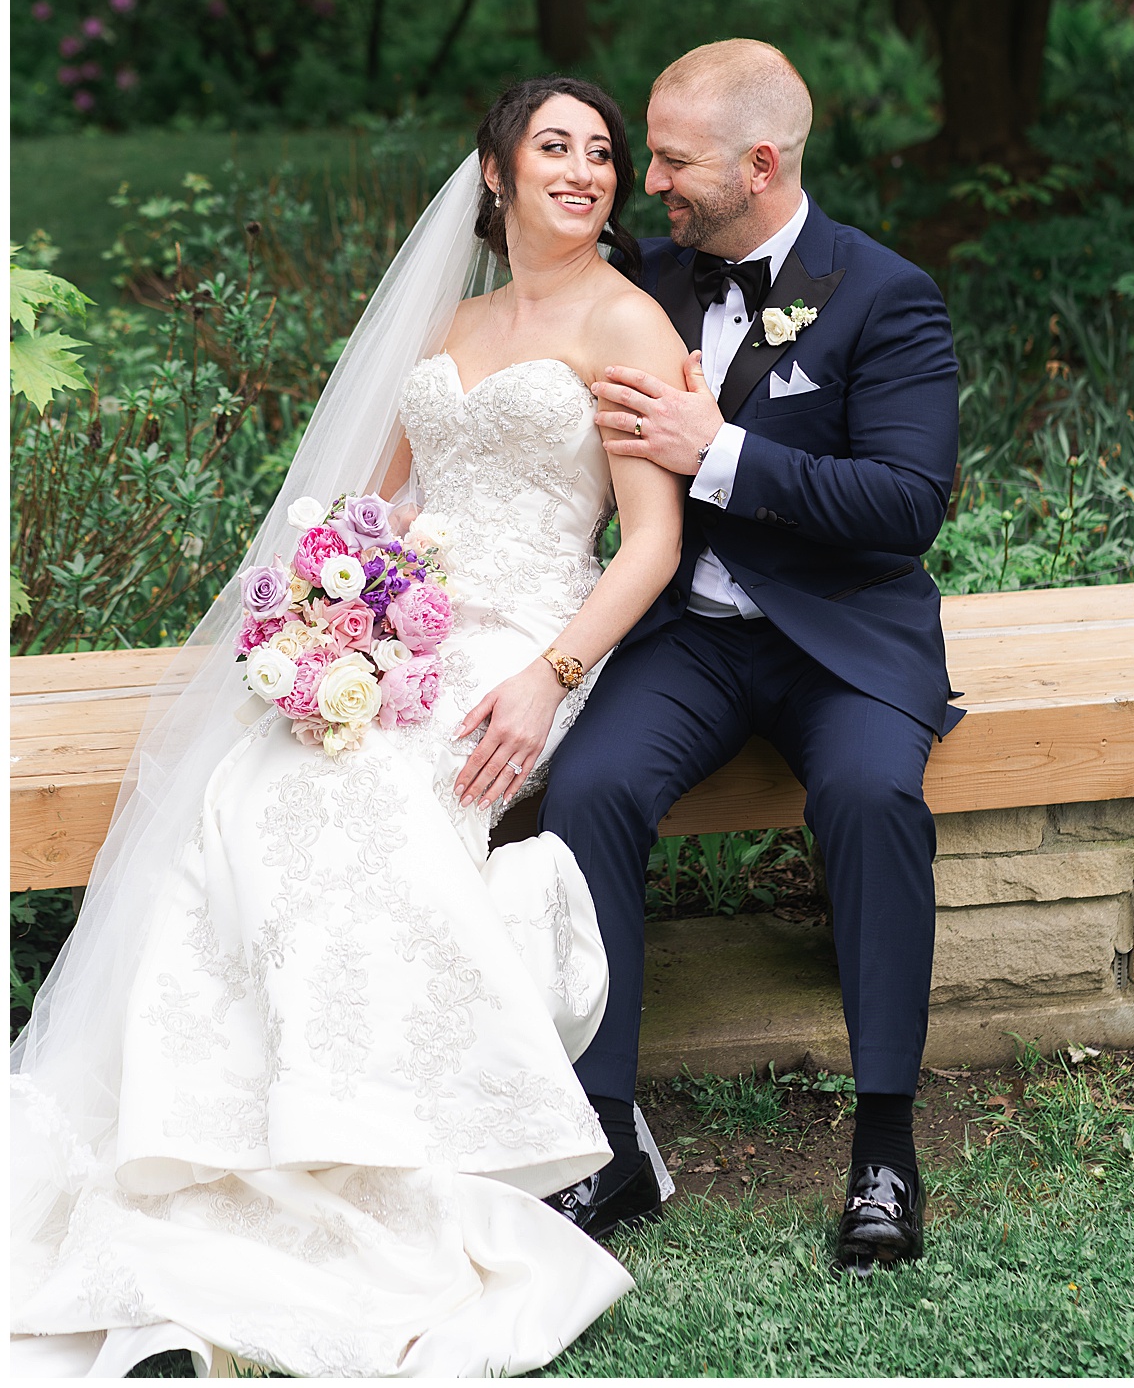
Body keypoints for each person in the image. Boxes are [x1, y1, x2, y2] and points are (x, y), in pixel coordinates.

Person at [11, 77, 688, 1378]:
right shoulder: (453, 314)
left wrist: (551, 672)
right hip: (404, 634)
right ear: (495, 173)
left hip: (528, 642)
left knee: (370, 793)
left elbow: (651, 542)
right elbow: (362, 517)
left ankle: (359, 1132)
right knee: (251, 785)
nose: (586, 169)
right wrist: (328, 622)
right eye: (556, 145)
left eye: (602, 153)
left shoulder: (629, 322)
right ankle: (206, 1139)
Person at [539, 39, 962, 1272]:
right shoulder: (650, 282)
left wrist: (713, 448)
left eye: (669, 158)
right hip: (694, 638)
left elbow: (902, 505)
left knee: (877, 795)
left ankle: (885, 1146)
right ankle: (608, 1135)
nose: (646, 179)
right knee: (590, 790)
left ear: (761, 162)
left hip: (841, 638)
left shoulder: (886, 295)